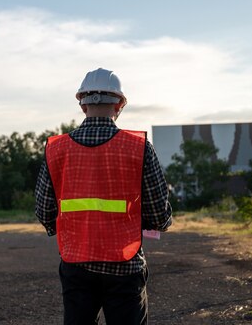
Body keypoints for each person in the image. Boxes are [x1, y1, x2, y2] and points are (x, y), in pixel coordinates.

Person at [35, 68, 172, 325]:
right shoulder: (138, 147)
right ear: (119, 104)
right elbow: (158, 213)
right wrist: (156, 224)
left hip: (76, 263)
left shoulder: (57, 149)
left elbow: (44, 210)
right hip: (125, 263)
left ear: (82, 104)